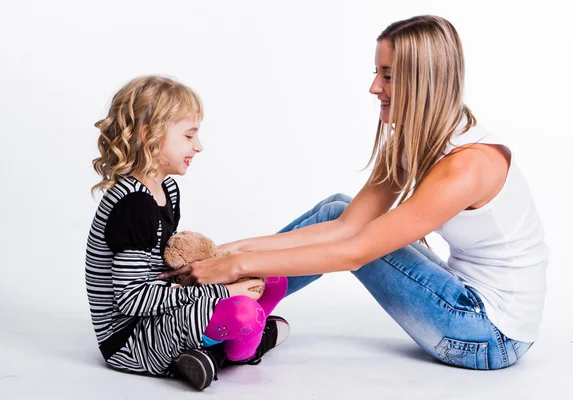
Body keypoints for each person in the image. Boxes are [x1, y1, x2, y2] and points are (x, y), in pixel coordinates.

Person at [160, 16, 549, 370]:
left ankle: (217, 314)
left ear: (424, 80)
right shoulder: (419, 141)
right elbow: (347, 224)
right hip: (462, 304)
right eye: (376, 73)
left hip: (488, 335)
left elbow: (356, 252)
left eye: (389, 76)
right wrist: (228, 251)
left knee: (359, 241)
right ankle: (225, 305)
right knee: (338, 208)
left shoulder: (467, 165)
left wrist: (235, 266)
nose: (374, 87)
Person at [85, 75, 289, 390]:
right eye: (189, 135)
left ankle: (217, 348)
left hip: (162, 310)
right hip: (130, 338)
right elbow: (130, 299)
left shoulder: (167, 188)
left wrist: (218, 273)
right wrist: (223, 293)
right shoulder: (133, 204)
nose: (199, 146)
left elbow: (165, 267)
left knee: (273, 278)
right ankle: (238, 349)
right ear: (148, 136)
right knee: (243, 312)